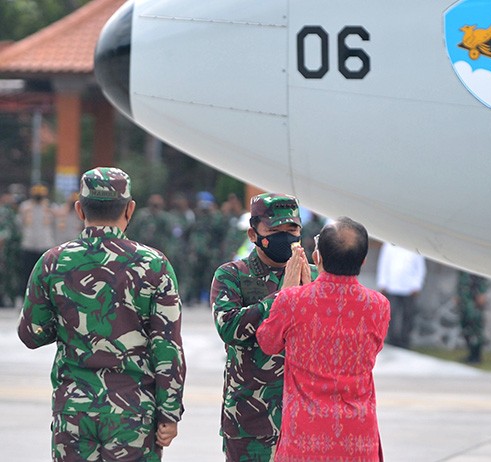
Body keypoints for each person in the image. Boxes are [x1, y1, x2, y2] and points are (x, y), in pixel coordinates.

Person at [17, 167, 186, 461]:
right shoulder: (153, 264)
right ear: (130, 209)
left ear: (79, 209)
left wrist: (68, 319)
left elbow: (31, 334)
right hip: (133, 412)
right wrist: (169, 412)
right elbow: (167, 345)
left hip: (73, 412)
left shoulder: (53, 262)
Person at [257, 217, 390, 462]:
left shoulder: (292, 301)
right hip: (357, 439)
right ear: (363, 260)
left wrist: (288, 290)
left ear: (317, 257)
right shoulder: (378, 305)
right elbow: (373, 347)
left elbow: (268, 342)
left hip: (305, 438)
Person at [210, 193, 317, 462]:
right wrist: (283, 296)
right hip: (250, 419)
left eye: (291, 229)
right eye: (274, 230)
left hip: (307, 416)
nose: (285, 237)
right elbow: (229, 327)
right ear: (252, 234)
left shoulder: (316, 276)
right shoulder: (232, 274)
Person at [376, 243, 426, 348]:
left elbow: (420, 267)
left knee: (408, 315)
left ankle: (405, 340)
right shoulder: (388, 246)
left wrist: (417, 285)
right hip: (392, 286)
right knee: (391, 314)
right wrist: (382, 283)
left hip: (409, 288)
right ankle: (392, 339)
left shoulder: (414, 247)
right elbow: (383, 264)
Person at [18, 183, 56, 291]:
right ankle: (25, 296)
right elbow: (20, 223)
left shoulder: (50, 207)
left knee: (45, 273)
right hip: (29, 244)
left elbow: (56, 226)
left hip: (45, 244)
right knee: (27, 273)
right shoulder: (25, 207)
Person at [456, 270, 489, 364]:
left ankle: (476, 356)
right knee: (465, 326)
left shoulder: (477, 261)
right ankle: (470, 354)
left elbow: (483, 277)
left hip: (474, 298)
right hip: (465, 298)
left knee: (475, 327)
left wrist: (482, 292)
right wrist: (458, 294)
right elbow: (460, 278)